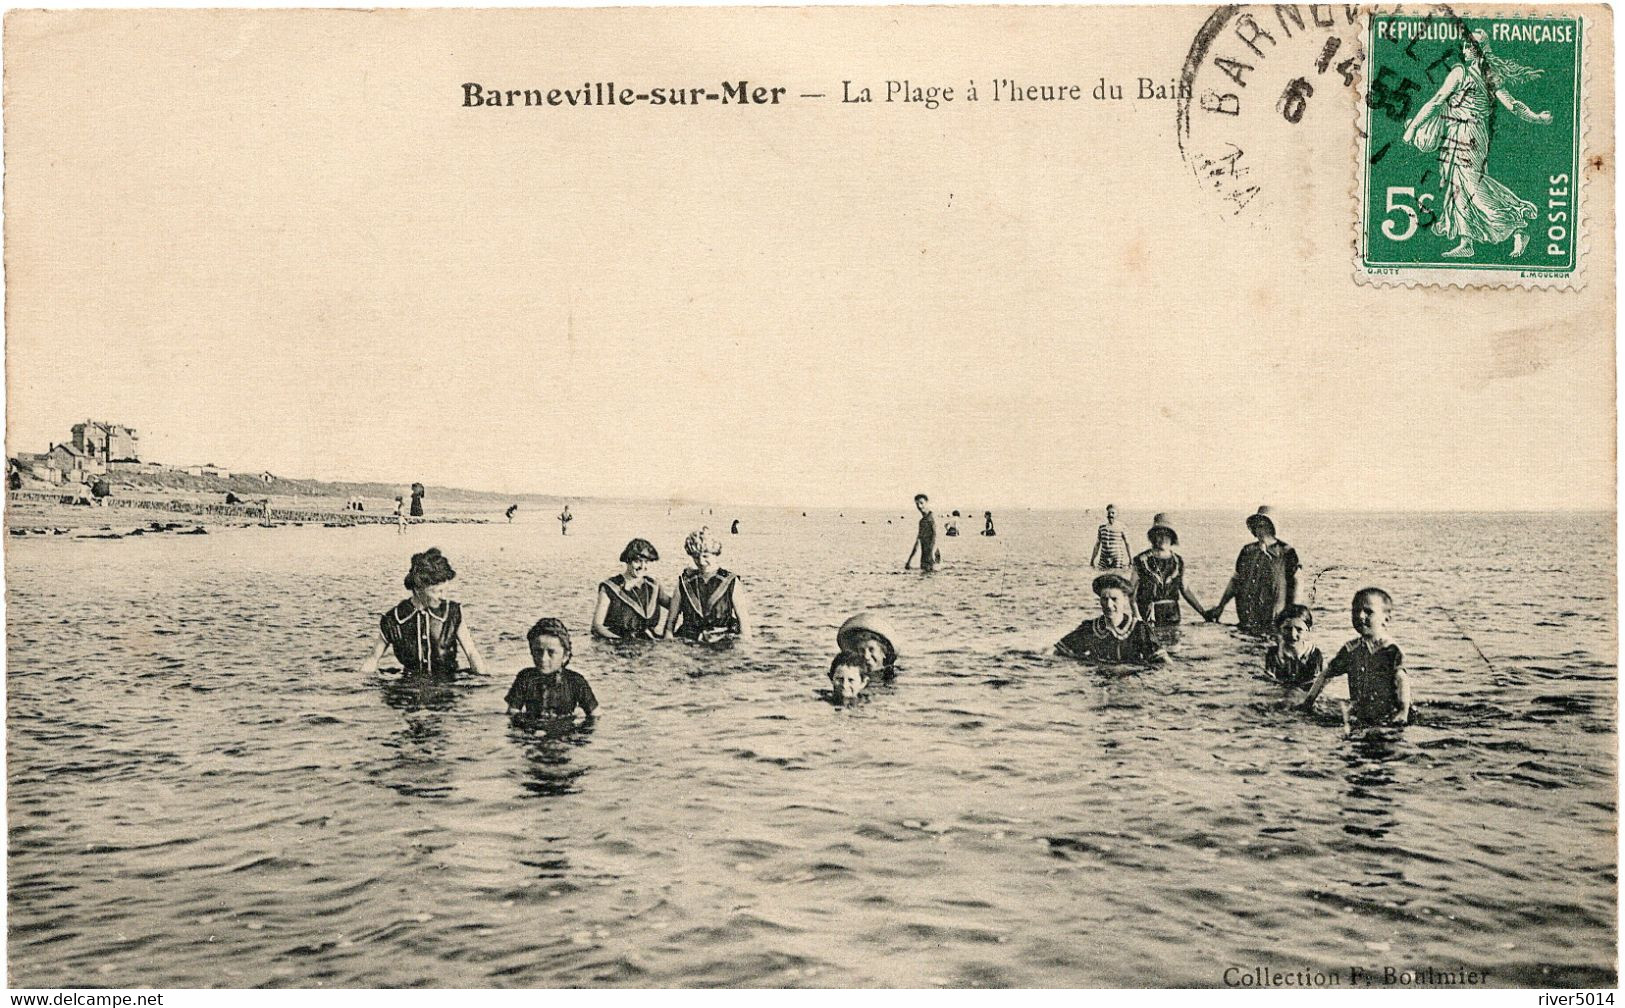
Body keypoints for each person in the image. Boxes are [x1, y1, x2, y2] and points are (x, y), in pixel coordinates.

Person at [1402, 29, 1553, 259]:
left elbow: (1436, 102)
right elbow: (1513, 105)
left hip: (1468, 135)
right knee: (1457, 187)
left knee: (1473, 186)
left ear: (1476, 50)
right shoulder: (1489, 75)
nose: (1464, 49)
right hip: (1464, 133)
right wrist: (1536, 117)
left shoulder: (1460, 73)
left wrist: (1413, 128)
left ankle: (1518, 222)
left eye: (1468, 45)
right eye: (1464, 45)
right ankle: (1467, 242)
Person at [359, 547, 487, 677]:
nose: (442, 596)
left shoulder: (452, 613)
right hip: (407, 689)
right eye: (437, 591)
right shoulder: (393, 619)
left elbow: (471, 652)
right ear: (418, 589)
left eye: (444, 590)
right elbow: (373, 658)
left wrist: (484, 679)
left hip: (447, 688)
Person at [1298, 588, 1412, 729]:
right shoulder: (1351, 650)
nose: (1360, 616)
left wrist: (1403, 711)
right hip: (1361, 715)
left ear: (1386, 619)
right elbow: (1326, 674)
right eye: (1355, 611)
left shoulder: (1390, 650)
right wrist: (1308, 701)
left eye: (1368, 612)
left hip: (1390, 716)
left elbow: (1402, 679)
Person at [1208, 506, 1300, 634]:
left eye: (1263, 525)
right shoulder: (1247, 551)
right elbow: (1236, 581)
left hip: (1274, 621)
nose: (1259, 529)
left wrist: (1293, 615)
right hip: (1247, 619)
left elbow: (1296, 583)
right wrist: (1221, 606)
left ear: (1271, 527)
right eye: (1256, 525)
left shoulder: (1286, 552)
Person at [1055, 573, 1169, 665]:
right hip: (1097, 685)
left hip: (1130, 685)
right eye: (1104, 599)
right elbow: (1060, 652)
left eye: (1114, 599)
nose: (1108, 605)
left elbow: (1162, 663)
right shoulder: (1090, 628)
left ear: (1124, 600)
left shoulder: (1139, 629)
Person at [668, 527, 750, 641]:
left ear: (715, 553)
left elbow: (745, 628)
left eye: (706, 556)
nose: (701, 561)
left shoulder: (731, 581)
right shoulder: (684, 582)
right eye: (696, 557)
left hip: (723, 644)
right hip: (690, 644)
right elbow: (669, 627)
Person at [506, 618, 598, 717]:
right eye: (538, 651)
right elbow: (512, 713)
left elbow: (595, 716)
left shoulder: (576, 682)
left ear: (565, 656)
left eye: (551, 652)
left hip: (565, 730)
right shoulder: (525, 678)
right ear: (531, 651)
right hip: (531, 729)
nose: (543, 658)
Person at [1129, 513, 1210, 626]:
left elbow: (1186, 591)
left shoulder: (1178, 561)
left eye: (1167, 535)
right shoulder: (1141, 560)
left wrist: (1204, 613)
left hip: (1173, 614)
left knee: (1173, 641)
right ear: (1153, 537)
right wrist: (1136, 617)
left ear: (1172, 538)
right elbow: (1130, 592)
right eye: (1159, 534)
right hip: (1148, 615)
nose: (1163, 538)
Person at [592, 538, 669, 640]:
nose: (642, 566)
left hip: (649, 646)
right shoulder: (609, 587)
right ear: (628, 560)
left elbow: (677, 607)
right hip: (617, 645)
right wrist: (619, 641)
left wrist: (669, 630)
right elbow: (597, 626)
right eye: (637, 561)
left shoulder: (653, 587)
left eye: (646, 562)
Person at [1265, 604, 1324, 702]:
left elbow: (1315, 686)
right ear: (1279, 629)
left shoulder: (1314, 654)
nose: (1292, 635)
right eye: (1287, 629)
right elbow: (1270, 683)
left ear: (1308, 630)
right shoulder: (1273, 653)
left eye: (1299, 630)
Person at [837, 612, 899, 679]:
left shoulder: (895, 677)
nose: (866, 656)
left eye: (871, 649)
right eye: (861, 650)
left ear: (884, 653)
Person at [1090, 504, 1132, 570]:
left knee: (1116, 576)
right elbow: (1097, 545)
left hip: (1117, 558)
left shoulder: (1122, 527)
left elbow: (1127, 543)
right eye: (1109, 513)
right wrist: (1092, 560)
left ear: (1117, 514)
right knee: (1102, 577)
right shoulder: (1102, 527)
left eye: (1113, 513)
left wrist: (1131, 560)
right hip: (1104, 558)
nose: (1110, 515)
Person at [904, 494, 940, 572]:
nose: (919, 506)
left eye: (921, 503)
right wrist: (909, 560)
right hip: (924, 556)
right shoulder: (921, 522)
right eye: (917, 504)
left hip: (933, 555)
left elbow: (936, 536)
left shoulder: (932, 518)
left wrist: (933, 553)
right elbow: (918, 541)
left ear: (927, 503)